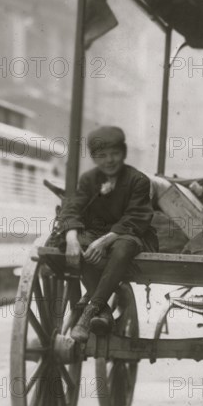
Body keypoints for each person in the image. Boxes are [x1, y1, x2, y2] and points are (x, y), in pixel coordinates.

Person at [59, 126, 158, 342]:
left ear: (123, 153)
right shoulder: (88, 180)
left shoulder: (138, 180)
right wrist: (71, 238)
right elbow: (72, 207)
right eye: (102, 156)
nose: (109, 161)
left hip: (130, 234)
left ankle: (89, 313)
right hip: (95, 235)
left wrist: (104, 241)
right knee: (81, 243)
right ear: (94, 158)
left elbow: (136, 217)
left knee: (124, 247)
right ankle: (103, 311)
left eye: (114, 154)